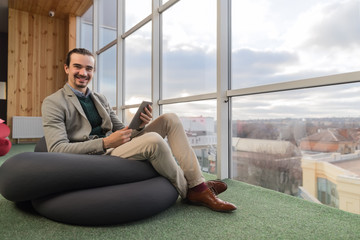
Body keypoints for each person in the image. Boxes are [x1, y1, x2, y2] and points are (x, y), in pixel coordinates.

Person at [41, 48, 237, 212]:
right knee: (153, 140)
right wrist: (105, 142)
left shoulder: (100, 98)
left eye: (89, 68)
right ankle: (196, 190)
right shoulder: (53, 102)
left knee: (170, 119)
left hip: (116, 145)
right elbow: (57, 149)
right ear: (67, 68)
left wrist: (139, 125)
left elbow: (123, 130)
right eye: (77, 66)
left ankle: (197, 183)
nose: (83, 73)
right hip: (97, 154)